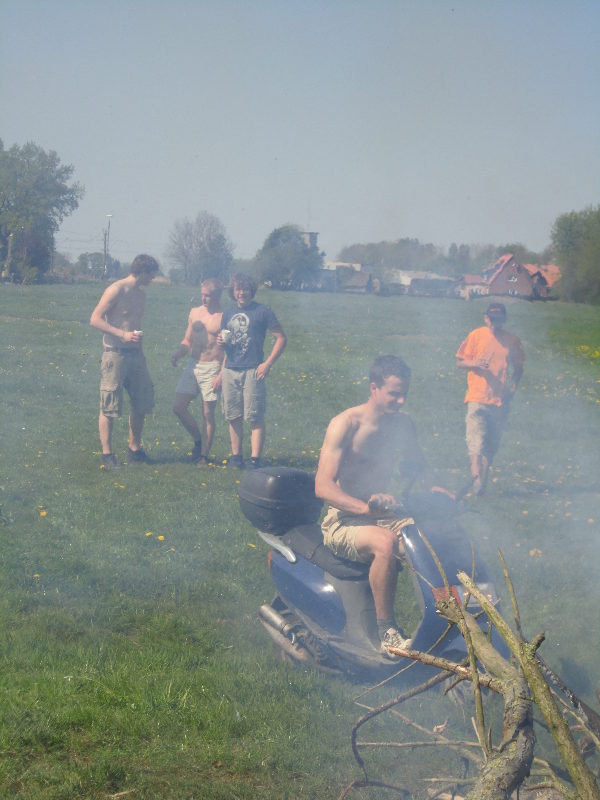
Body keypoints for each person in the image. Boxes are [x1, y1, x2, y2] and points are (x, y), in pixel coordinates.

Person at [314, 355, 436, 659]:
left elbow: (419, 467)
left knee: (426, 544)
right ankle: (387, 633)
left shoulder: (403, 425)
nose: (401, 400)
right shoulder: (346, 424)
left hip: (382, 513)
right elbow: (323, 487)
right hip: (342, 519)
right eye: (394, 394)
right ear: (373, 388)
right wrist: (364, 509)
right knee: (385, 543)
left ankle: (444, 622)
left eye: (404, 393)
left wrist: (437, 490)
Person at [90, 254, 160, 469]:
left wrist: (136, 342)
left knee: (142, 401)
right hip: (115, 353)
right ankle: (107, 454)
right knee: (109, 404)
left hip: (136, 355)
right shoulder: (116, 289)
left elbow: (134, 323)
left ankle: (134, 449)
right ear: (143, 271)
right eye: (151, 275)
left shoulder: (142, 295)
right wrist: (122, 334)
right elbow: (95, 319)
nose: (153, 279)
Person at [218, 273, 287, 469]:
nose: (242, 293)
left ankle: (255, 460)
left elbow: (281, 338)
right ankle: (236, 458)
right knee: (233, 415)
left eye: (246, 289)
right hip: (231, 370)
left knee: (255, 416)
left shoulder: (263, 311)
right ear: (233, 292)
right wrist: (221, 344)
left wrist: (267, 364)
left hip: (253, 370)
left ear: (252, 291)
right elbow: (227, 345)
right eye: (238, 289)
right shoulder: (228, 314)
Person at [456, 302, 525, 496]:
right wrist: (475, 363)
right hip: (477, 398)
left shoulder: (512, 340)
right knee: (475, 444)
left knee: (490, 446)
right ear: (486, 318)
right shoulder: (476, 335)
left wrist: (513, 386)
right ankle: (477, 482)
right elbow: (460, 361)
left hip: (499, 401)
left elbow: (519, 368)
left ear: (504, 319)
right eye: (492, 319)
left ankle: (481, 485)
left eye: (499, 320)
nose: (495, 323)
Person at [171, 279, 224, 465]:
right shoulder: (195, 312)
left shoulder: (224, 316)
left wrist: (221, 374)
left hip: (213, 366)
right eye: (202, 294)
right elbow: (188, 340)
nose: (203, 298)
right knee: (178, 406)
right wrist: (178, 354)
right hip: (193, 365)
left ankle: (204, 456)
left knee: (207, 414)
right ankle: (198, 439)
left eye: (207, 295)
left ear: (217, 295)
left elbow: (228, 349)